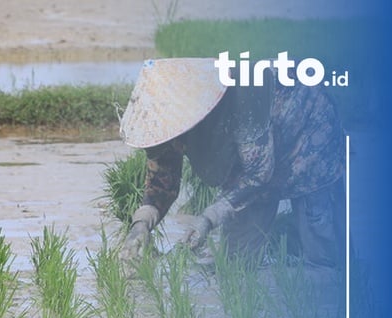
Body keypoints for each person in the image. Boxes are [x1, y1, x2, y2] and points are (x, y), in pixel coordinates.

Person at [118, 58, 345, 269]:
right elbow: (161, 183)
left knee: (323, 247)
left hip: (307, 135)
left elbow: (258, 174)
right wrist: (140, 225)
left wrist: (208, 218)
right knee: (236, 263)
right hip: (252, 160)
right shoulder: (165, 122)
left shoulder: (239, 103)